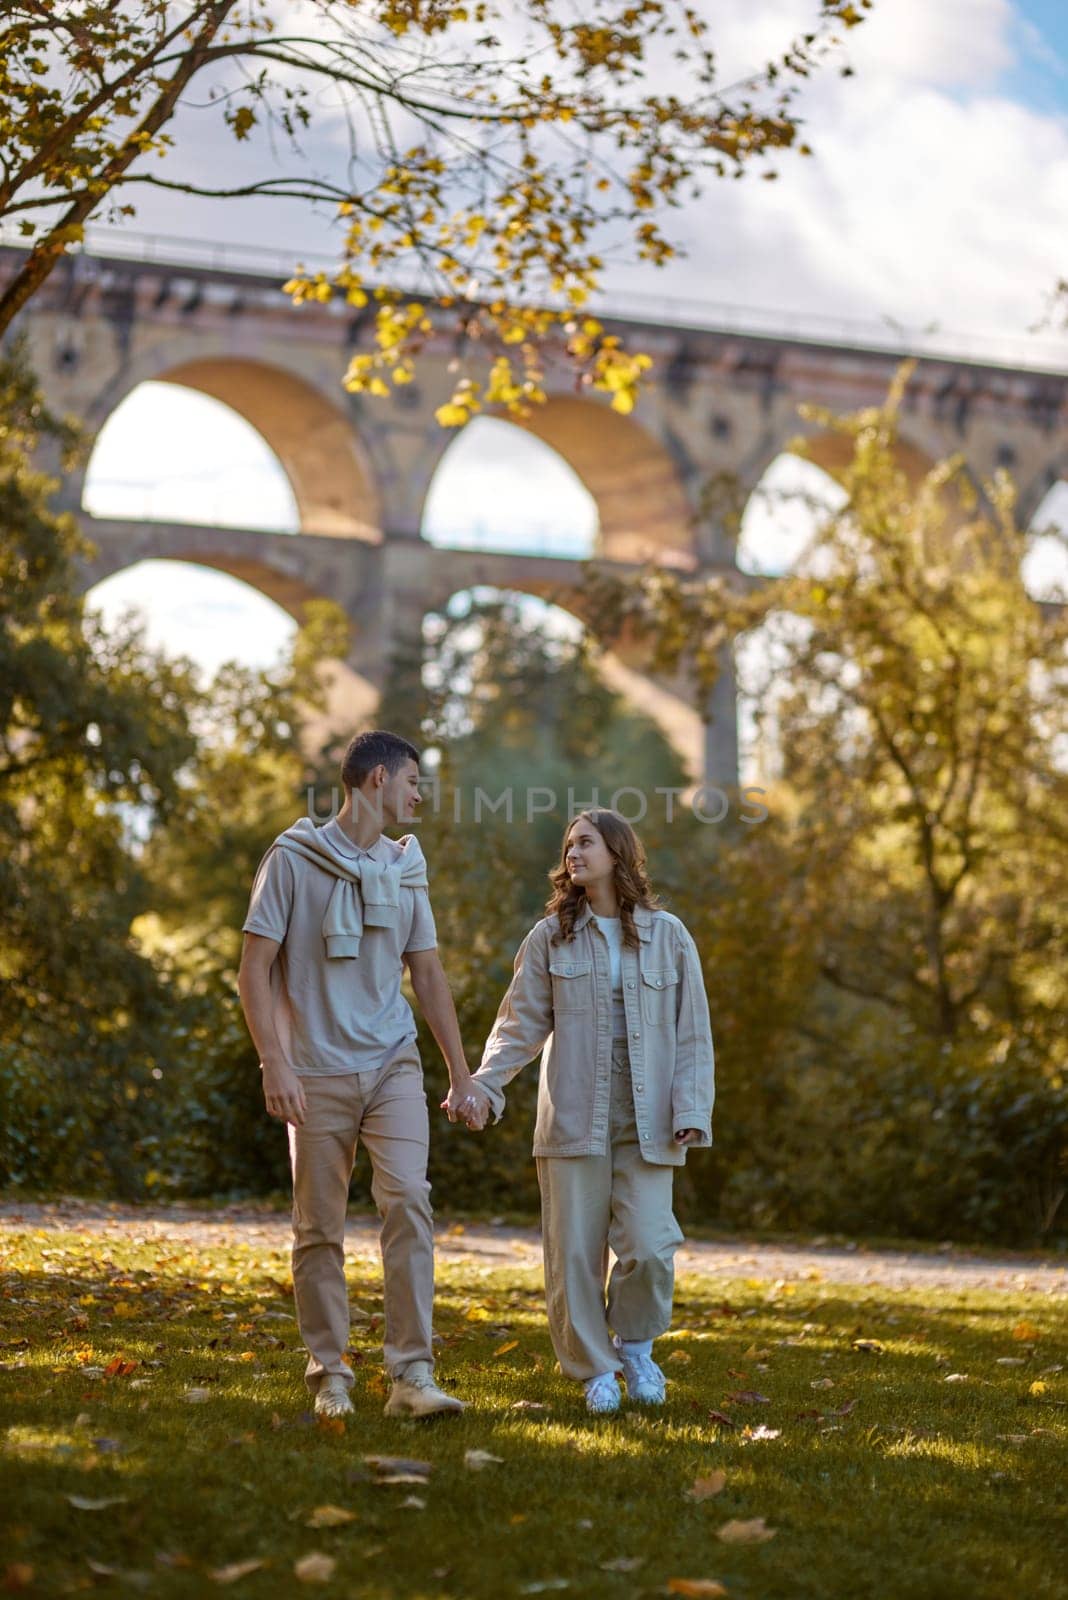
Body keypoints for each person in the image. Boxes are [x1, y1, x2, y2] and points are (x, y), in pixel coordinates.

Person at [238, 730, 482, 1420]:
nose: (419, 795)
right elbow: (254, 970)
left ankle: (412, 1375)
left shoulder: (406, 868)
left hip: (392, 1062)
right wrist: (274, 1061)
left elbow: (427, 974)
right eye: (413, 781)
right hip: (313, 1069)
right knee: (318, 1226)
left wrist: (461, 1073)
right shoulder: (291, 860)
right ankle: (330, 1375)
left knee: (408, 1200)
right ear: (377, 780)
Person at [455, 808, 714, 1415]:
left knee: (650, 1246)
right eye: (569, 845)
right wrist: (485, 1086)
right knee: (573, 1251)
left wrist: (692, 1107)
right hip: (574, 1117)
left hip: (650, 1121)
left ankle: (636, 1347)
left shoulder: (669, 935)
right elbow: (518, 1024)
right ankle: (594, 1369)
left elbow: (693, 1031)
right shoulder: (551, 938)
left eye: (586, 843)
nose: (573, 854)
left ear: (618, 853)